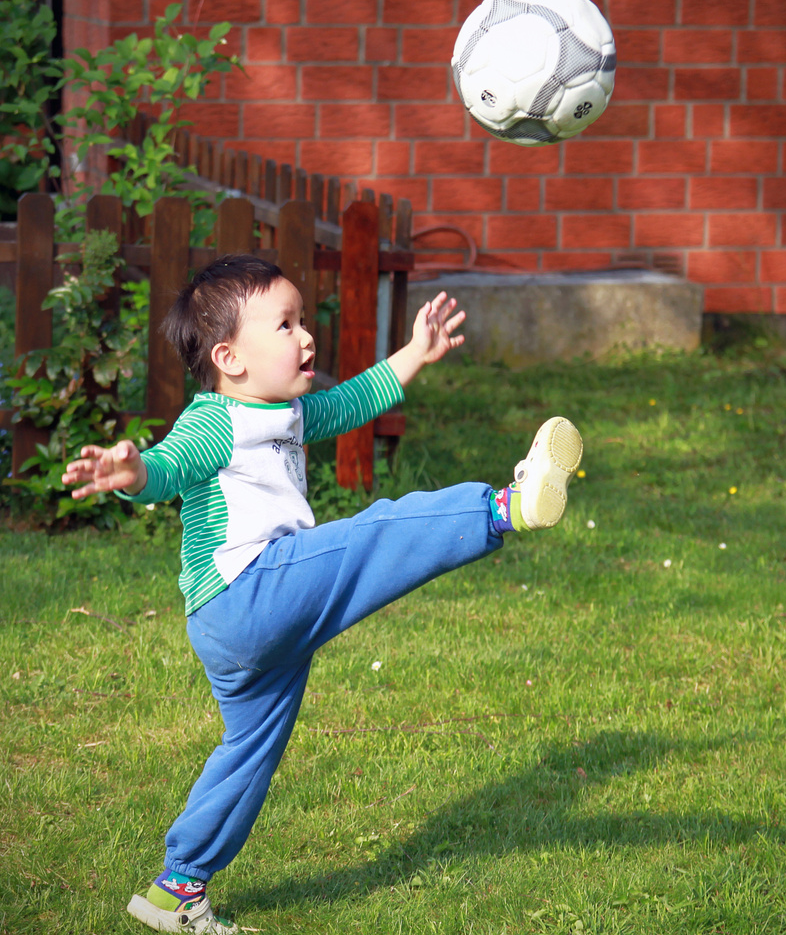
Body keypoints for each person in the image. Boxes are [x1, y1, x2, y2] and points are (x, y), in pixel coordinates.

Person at [61, 254, 582, 934]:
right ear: (230, 357)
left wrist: (415, 353)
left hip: (235, 625)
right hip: (251, 591)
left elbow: (354, 401)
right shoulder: (213, 421)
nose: (306, 337)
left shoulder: (285, 412)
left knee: (249, 752)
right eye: (284, 324)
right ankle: (504, 507)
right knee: (375, 534)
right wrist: (131, 471)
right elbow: (166, 467)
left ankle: (176, 889)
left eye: (302, 320)